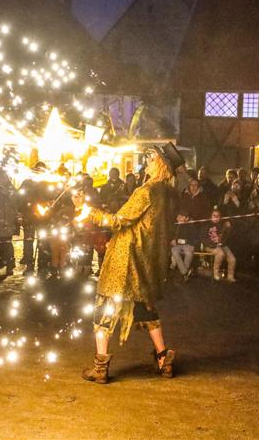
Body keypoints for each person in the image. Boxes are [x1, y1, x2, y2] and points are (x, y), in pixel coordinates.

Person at [76, 143, 184, 384]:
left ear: (161, 164)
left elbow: (118, 222)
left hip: (126, 259)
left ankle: (100, 368)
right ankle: (163, 360)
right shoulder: (170, 193)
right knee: (146, 309)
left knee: (105, 307)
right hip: (147, 261)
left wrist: (90, 212)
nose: (147, 160)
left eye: (151, 157)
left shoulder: (146, 191)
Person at [204, 208, 236, 282]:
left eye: (217, 216)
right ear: (210, 216)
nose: (215, 217)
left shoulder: (222, 225)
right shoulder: (206, 226)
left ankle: (230, 276)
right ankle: (216, 273)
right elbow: (203, 239)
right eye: (214, 215)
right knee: (220, 254)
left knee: (232, 259)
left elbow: (227, 237)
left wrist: (229, 228)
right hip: (210, 246)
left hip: (222, 245)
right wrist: (214, 244)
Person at [171, 211, 199, 282]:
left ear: (186, 218)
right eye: (178, 217)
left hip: (189, 245)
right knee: (174, 250)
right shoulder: (177, 225)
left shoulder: (191, 226)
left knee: (188, 252)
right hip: (179, 246)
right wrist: (172, 241)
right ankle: (185, 272)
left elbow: (196, 240)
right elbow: (172, 237)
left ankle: (184, 274)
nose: (178, 218)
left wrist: (185, 241)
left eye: (181, 217)